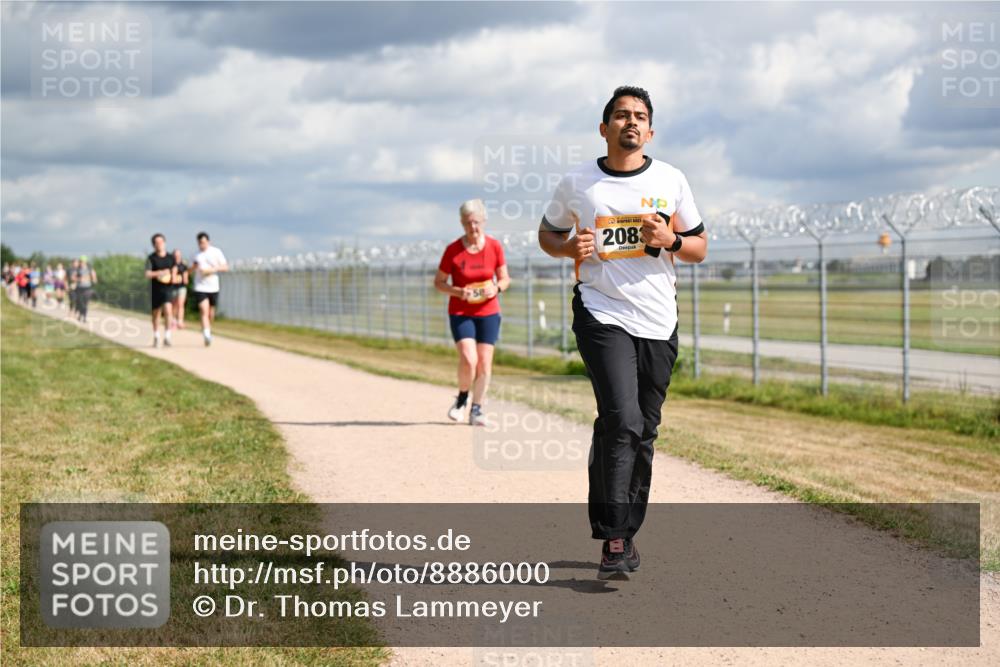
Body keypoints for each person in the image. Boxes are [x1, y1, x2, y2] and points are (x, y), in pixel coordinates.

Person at [538, 86, 708, 580]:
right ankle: (613, 538)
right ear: (604, 127)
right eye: (620, 115)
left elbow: (698, 247)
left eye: (639, 117)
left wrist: (670, 239)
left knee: (642, 429)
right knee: (622, 420)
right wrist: (571, 248)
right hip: (601, 312)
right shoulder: (578, 183)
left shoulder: (672, 180)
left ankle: (626, 530)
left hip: (658, 319)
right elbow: (548, 235)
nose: (629, 122)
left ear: (649, 131)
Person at [434, 199, 511, 426]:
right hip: (461, 311)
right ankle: (461, 399)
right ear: (461, 223)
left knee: (484, 364)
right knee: (469, 358)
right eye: (468, 223)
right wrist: (458, 292)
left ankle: (477, 409)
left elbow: (505, 279)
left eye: (476, 222)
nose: (473, 227)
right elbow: (439, 282)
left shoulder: (495, 247)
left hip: (488, 311)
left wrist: (495, 287)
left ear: (484, 221)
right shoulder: (453, 250)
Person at [191, 231, 228, 347]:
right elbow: (191, 269)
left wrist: (212, 269)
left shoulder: (216, 252)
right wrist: (194, 268)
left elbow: (225, 267)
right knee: (204, 310)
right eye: (199, 243)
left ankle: (207, 328)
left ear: (208, 241)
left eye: (203, 242)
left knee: (210, 314)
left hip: (213, 287)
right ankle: (206, 335)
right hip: (200, 287)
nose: (202, 245)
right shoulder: (196, 255)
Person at [145, 233, 176, 347]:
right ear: (154, 245)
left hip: (168, 288)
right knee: (156, 314)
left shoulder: (170, 258)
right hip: (155, 289)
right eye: (157, 243)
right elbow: (147, 274)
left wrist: (173, 276)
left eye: (161, 242)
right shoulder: (151, 258)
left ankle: (167, 336)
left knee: (168, 310)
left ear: (165, 243)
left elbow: (175, 270)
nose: (159, 244)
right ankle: (156, 335)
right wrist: (160, 273)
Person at [169, 249, 189, 330]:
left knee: (181, 304)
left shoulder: (183, 266)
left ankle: (180, 321)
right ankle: (173, 320)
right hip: (173, 287)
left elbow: (186, 279)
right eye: (175, 255)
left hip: (181, 287)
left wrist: (183, 278)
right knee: (174, 305)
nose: (177, 256)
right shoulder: (170, 265)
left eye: (178, 255)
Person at [74, 256, 97, 322]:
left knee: (85, 303)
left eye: (83, 262)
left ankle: (84, 317)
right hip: (79, 288)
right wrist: (79, 279)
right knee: (80, 303)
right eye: (80, 262)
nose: (81, 263)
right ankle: (80, 315)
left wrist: (91, 279)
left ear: (85, 262)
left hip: (87, 288)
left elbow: (95, 279)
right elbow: (73, 277)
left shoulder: (90, 269)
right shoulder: (77, 269)